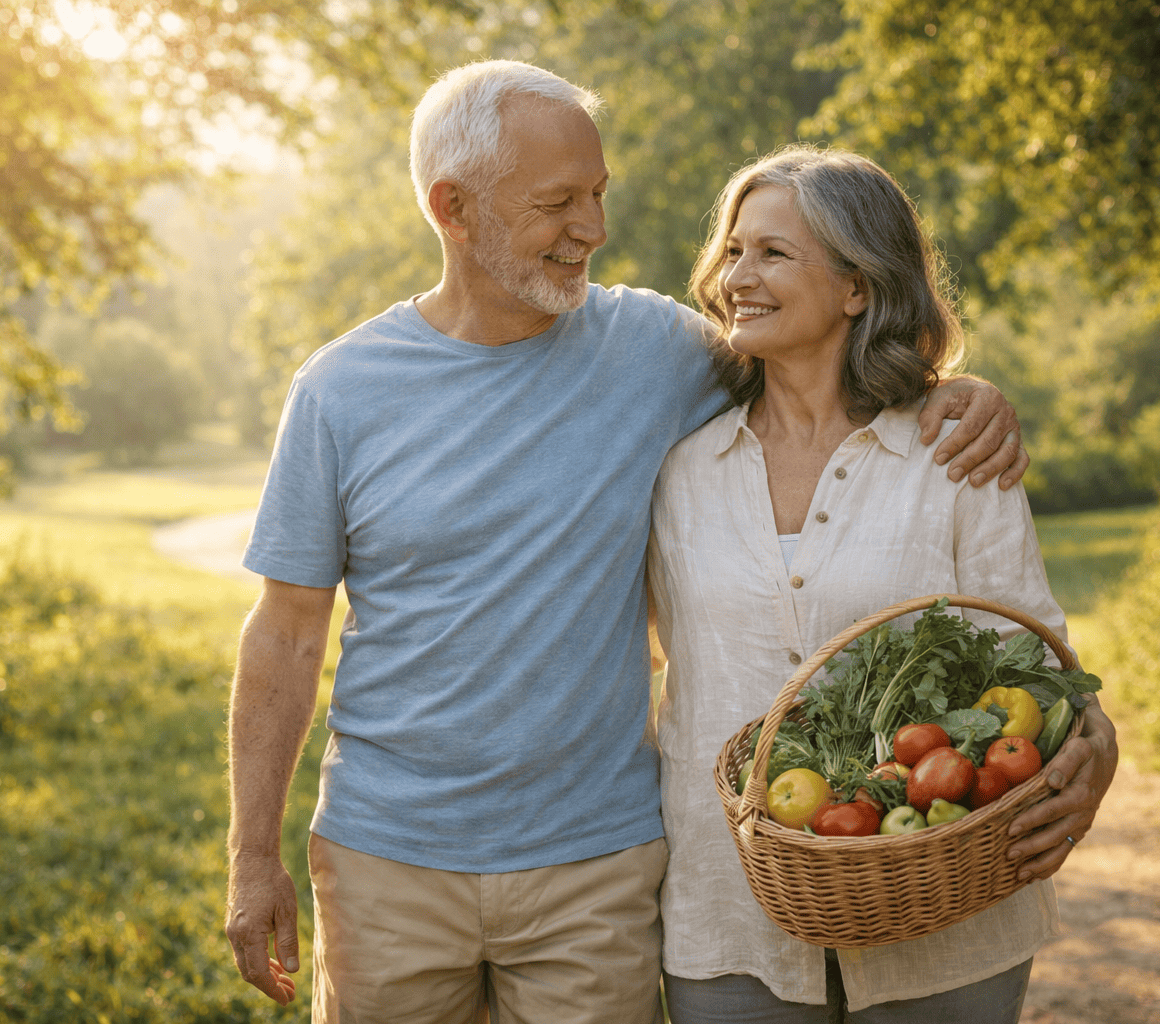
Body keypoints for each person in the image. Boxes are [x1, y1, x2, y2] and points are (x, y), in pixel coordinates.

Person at [224, 61, 1035, 1024]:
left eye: (599, 194)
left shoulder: (659, 351)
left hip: (596, 866)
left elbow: (817, 352)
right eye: (557, 202)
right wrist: (250, 857)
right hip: (387, 861)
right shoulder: (341, 390)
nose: (593, 230)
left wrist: (951, 391)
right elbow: (283, 633)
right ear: (452, 206)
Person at [647, 145, 1120, 1023]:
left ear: (858, 288)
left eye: (774, 254)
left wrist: (1097, 754)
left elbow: (1038, 662)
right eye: (733, 250)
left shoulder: (953, 456)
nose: (734, 277)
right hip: (729, 913)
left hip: (947, 910)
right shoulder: (678, 470)